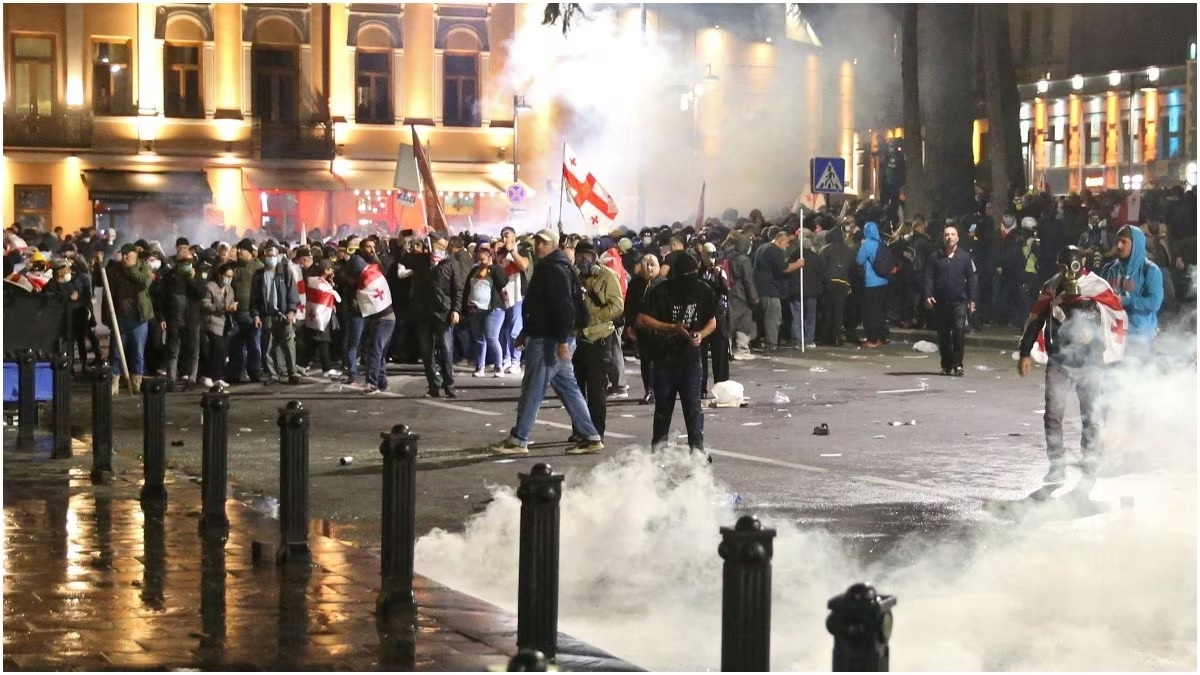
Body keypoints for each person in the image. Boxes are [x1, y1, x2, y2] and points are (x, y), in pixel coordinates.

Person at [1017, 245, 1127, 485]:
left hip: (1089, 363)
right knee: (1053, 414)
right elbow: (1036, 319)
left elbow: (1114, 320)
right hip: (1060, 360)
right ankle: (1056, 465)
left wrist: (1095, 337)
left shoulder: (1097, 287)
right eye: (1063, 267)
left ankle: (1090, 463)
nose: (1068, 273)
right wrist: (1026, 351)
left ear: (1082, 263)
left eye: (1073, 267)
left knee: (1090, 415)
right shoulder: (1053, 286)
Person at [490, 229, 604, 456]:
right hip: (551, 336)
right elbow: (542, 307)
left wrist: (562, 340)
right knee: (569, 389)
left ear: (550, 244)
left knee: (533, 389)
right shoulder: (555, 267)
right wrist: (526, 331)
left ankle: (519, 438)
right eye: (536, 242)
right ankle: (590, 436)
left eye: (541, 243)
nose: (536, 246)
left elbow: (562, 308)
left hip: (550, 339)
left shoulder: (553, 269)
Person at [637, 252, 718, 461]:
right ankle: (658, 454)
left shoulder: (703, 290)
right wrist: (672, 327)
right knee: (664, 408)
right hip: (665, 359)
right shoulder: (662, 290)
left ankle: (698, 452)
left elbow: (712, 321)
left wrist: (701, 335)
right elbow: (643, 319)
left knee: (693, 408)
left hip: (690, 359)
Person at [569, 240, 624, 442]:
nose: (583, 260)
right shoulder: (573, 277)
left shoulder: (607, 276)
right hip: (577, 339)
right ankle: (579, 430)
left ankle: (596, 431)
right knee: (575, 390)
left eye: (588, 256)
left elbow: (617, 307)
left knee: (596, 390)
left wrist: (593, 317)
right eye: (580, 255)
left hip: (599, 339)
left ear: (594, 258)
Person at [1101, 225, 1163, 361]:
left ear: (1136, 244)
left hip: (1140, 341)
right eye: (1117, 241)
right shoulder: (1109, 269)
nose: (1118, 246)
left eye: (1124, 241)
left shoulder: (1150, 270)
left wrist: (1125, 300)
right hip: (1113, 339)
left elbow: (1155, 303)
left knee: (1136, 380)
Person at [923, 226, 978, 377]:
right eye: (947, 234)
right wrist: (928, 295)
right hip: (940, 302)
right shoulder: (935, 257)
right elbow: (928, 277)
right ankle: (946, 365)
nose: (950, 237)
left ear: (958, 238)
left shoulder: (965, 257)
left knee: (959, 330)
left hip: (959, 301)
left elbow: (972, 278)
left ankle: (958, 364)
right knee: (943, 334)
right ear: (943, 238)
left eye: (953, 234)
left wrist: (972, 299)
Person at [103, 243, 153, 395]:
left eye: (127, 254)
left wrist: (131, 268)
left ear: (135, 254)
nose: (124, 257)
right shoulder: (117, 269)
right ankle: (115, 381)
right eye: (122, 254)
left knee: (138, 352)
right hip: (120, 317)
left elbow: (144, 283)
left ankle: (136, 381)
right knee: (116, 352)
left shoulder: (144, 267)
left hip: (139, 318)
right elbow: (102, 279)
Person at [251, 243, 302, 385]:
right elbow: (254, 297)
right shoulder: (259, 275)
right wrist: (255, 314)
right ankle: (272, 375)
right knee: (267, 347)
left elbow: (293, 292)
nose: (271, 258)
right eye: (268, 255)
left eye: (273, 255)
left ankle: (292, 373)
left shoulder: (285, 272)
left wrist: (291, 310)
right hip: (267, 315)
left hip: (284, 315)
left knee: (288, 345)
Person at [462, 243, 509, 378]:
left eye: (483, 259)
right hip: (475, 309)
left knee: (492, 338)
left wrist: (491, 267)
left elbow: (503, 281)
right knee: (479, 339)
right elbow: (467, 288)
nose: (480, 262)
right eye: (479, 259)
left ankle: (498, 366)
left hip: (493, 309)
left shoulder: (495, 270)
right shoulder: (474, 270)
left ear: (489, 257)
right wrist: (464, 307)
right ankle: (479, 367)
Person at [624, 253, 664, 404]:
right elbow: (629, 306)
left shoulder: (663, 284)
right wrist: (629, 325)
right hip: (643, 330)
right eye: (645, 264)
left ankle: (660, 390)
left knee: (659, 362)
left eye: (652, 264)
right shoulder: (635, 284)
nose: (648, 267)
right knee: (646, 362)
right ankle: (649, 390)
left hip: (660, 330)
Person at [227, 239, 263, 383]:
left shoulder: (258, 267)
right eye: (238, 249)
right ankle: (237, 373)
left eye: (243, 249)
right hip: (235, 313)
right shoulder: (232, 267)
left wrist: (258, 313)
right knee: (236, 345)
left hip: (252, 313)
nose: (239, 251)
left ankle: (254, 372)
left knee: (254, 345)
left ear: (250, 252)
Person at [199, 263, 238, 388]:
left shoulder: (229, 289)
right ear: (220, 275)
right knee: (216, 350)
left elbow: (231, 301)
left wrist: (232, 306)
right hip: (212, 322)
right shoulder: (210, 287)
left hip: (224, 323)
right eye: (227, 276)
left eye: (231, 276)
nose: (229, 279)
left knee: (222, 352)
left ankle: (217, 376)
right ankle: (208, 375)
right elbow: (205, 304)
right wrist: (222, 307)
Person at [854, 221, 890, 346]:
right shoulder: (882, 243)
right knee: (880, 311)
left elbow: (859, 260)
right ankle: (882, 337)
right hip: (884, 282)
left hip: (871, 282)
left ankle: (872, 339)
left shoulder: (867, 244)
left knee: (870, 312)